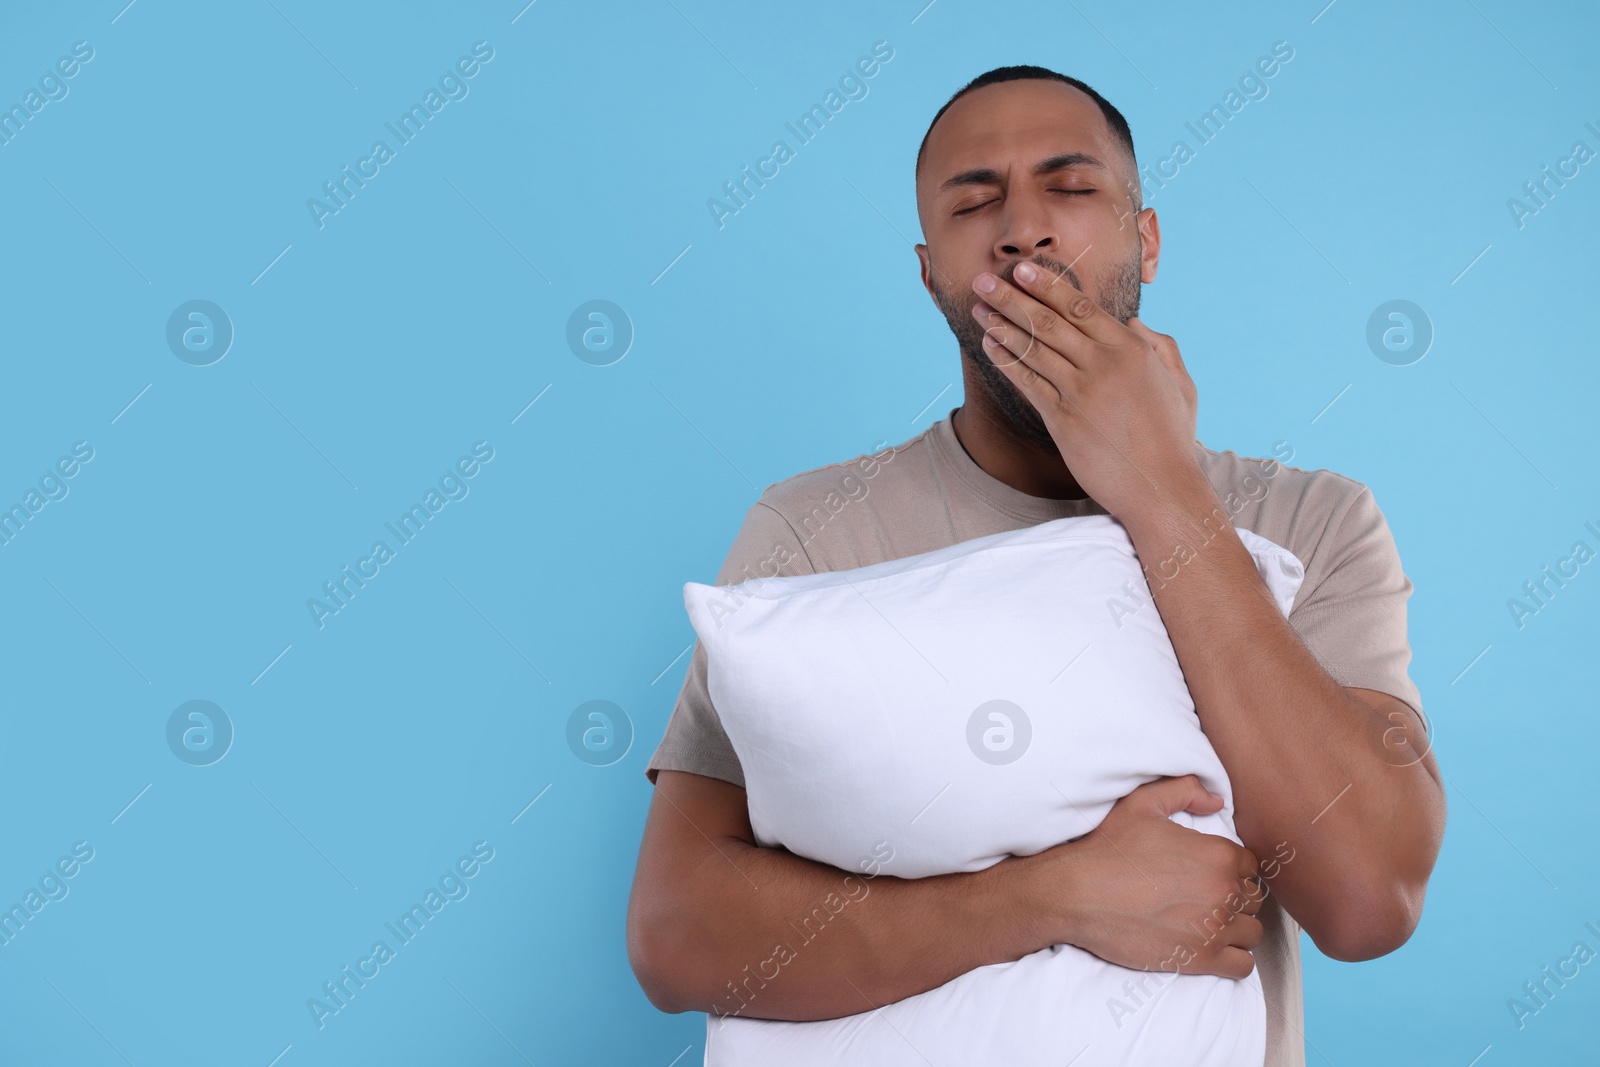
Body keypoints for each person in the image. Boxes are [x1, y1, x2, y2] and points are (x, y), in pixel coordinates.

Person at [626, 65, 1446, 1067]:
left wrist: (1162, 493)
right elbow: (674, 937)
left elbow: (1367, 898)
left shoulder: (1311, 519)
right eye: (976, 200)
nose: (1023, 229)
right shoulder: (808, 530)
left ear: (1145, 237)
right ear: (929, 271)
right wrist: (1051, 895)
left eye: (1071, 186)